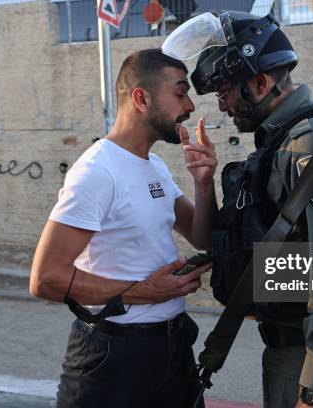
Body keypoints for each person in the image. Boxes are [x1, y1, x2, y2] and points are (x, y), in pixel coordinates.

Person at [163, 12, 313, 408]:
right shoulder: (284, 141)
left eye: (226, 91)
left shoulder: (310, 144)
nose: (223, 105)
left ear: (261, 83)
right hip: (291, 347)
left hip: (310, 356)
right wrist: (204, 178)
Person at [30, 48, 218, 408]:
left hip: (172, 347)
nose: (190, 105)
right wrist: (141, 291)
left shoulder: (156, 166)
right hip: (112, 355)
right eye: (180, 92)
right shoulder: (97, 172)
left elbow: (201, 235)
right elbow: (45, 278)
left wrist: (204, 182)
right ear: (141, 98)